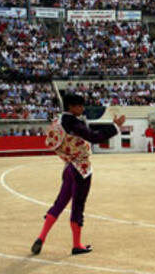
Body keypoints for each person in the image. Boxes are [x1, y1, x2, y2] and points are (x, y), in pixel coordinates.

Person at [31, 94, 126, 255]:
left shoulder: (59, 121)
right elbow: (94, 137)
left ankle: (41, 237)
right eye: (79, 106)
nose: (82, 109)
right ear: (71, 107)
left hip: (68, 167)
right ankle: (76, 245)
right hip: (81, 169)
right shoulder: (73, 123)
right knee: (78, 206)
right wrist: (115, 127)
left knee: (59, 203)